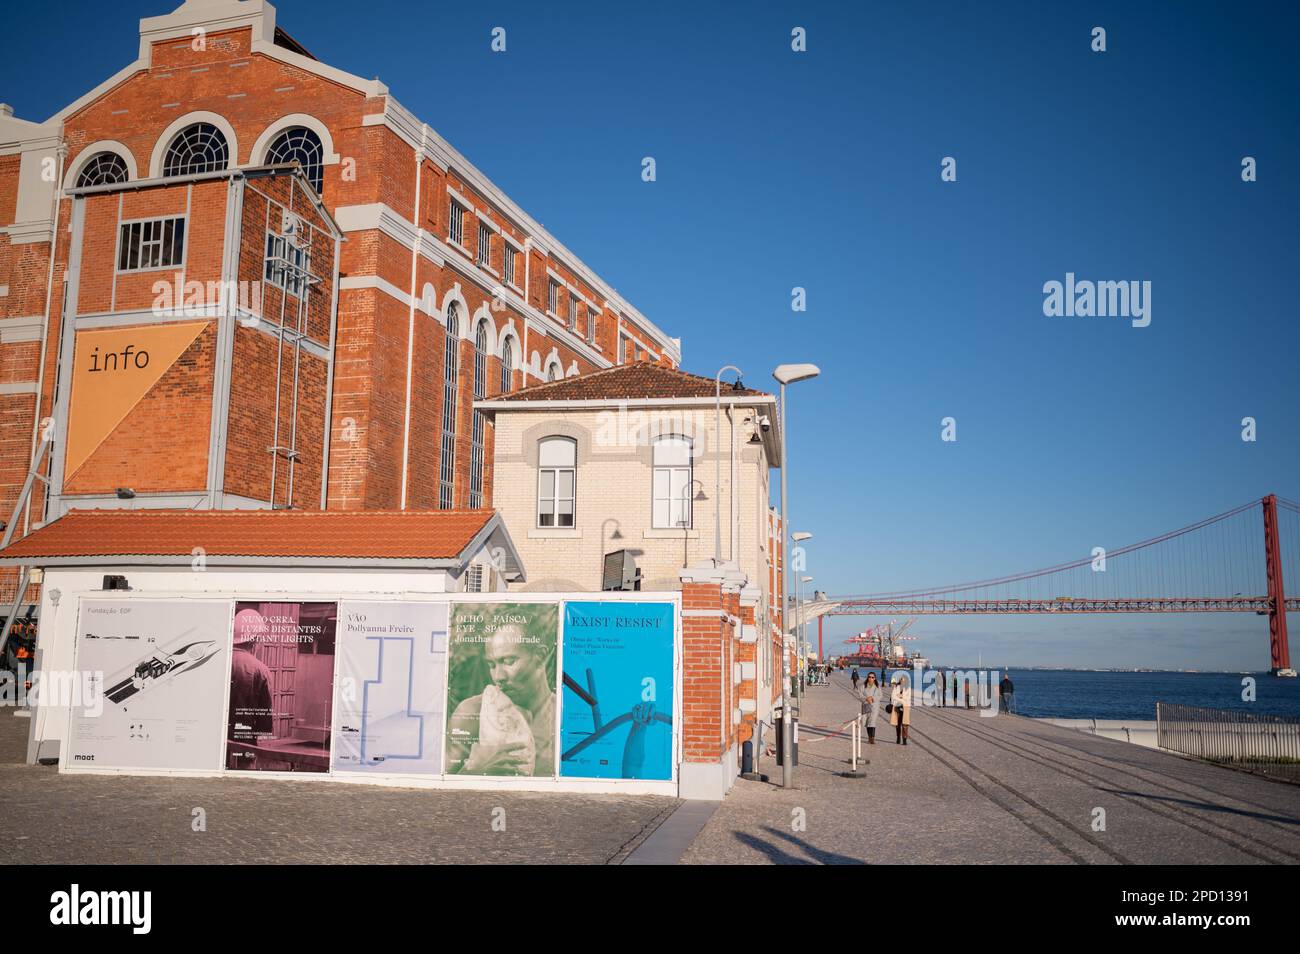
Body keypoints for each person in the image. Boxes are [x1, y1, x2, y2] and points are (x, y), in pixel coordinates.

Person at [447, 624, 556, 776]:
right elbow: (439, 792)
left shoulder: (566, 716)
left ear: (541, 656)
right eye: (491, 665)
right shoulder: (472, 712)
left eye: (509, 661)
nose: (499, 677)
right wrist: (474, 770)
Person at [227, 608, 274, 769]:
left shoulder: (216, 661)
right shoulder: (261, 670)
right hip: (244, 750)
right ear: (255, 640)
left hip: (212, 745)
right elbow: (264, 724)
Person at [890, 674, 910, 745]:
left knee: (905, 724)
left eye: (904, 680)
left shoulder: (908, 688)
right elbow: (893, 697)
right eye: (901, 679)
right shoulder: (896, 687)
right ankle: (898, 737)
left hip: (905, 708)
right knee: (897, 724)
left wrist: (900, 696)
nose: (902, 681)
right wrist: (902, 698)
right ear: (900, 680)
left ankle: (904, 739)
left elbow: (908, 698)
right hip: (897, 707)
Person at [861, 672, 880, 743]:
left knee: (872, 721)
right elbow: (859, 695)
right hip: (866, 705)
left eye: (872, 677)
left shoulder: (877, 687)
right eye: (869, 677)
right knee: (867, 722)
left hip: (875, 706)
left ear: (875, 678)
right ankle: (869, 737)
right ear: (867, 677)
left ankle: (872, 738)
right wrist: (866, 699)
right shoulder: (863, 686)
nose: (871, 678)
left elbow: (880, 696)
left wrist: (873, 698)